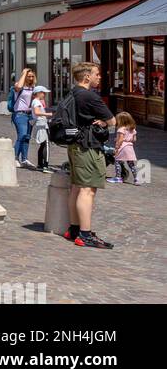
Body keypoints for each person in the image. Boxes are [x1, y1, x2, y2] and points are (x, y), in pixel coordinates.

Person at [64, 60, 116, 249]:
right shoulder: (89, 96)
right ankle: (85, 235)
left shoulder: (72, 92)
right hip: (88, 146)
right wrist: (103, 123)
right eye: (97, 74)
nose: (99, 77)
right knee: (87, 190)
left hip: (75, 145)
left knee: (77, 187)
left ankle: (74, 229)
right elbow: (112, 120)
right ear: (87, 76)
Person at [10, 67, 36, 167]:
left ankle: (24, 158)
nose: (31, 78)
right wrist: (24, 73)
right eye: (29, 76)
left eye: (32, 76)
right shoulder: (18, 86)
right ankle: (14, 157)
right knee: (22, 135)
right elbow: (19, 86)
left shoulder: (33, 87)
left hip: (30, 115)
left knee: (27, 137)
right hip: (20, 114)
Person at [111, 112, 139, 184]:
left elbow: (120, 139)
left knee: (117, 161)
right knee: (131, 163)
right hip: (130, 147)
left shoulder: (121, 129)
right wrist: (128, 139)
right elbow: (134, 139)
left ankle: (118, 177)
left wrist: (116, 147)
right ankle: (136, 179)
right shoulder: (132, 129)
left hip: (122, 147)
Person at [29, 86, 52, 171]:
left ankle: (40, 164)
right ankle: (45, 165)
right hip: (41, 124)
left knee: (42, 145)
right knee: (45, 144)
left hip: (39, 124)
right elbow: (37, 112)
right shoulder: (37, 102)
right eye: (43, 92)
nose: (44, 94)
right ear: (38, 93)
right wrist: (49, 114)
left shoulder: (36, 101)